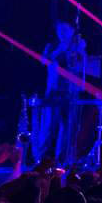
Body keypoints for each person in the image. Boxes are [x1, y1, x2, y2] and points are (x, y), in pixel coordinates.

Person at [33, 20, 86, 165]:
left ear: (72, 31)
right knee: (49, 127)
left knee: (68, 129)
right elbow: (44, 61)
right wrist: (59, 49)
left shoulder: (76, 47)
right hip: (54, 92)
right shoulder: (51, 46)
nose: (63, 33)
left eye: (66, 30)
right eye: (60, 30)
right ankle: (41, 160)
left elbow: (82, 67)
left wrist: (81, 51)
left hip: (71, 92)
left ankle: (62, 161)